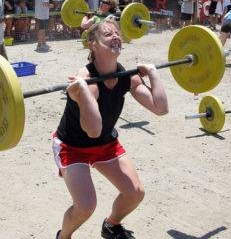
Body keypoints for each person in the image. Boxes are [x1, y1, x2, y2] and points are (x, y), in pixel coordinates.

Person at [52, 18, 168, 239]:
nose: (116, 36)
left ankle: (111, 225)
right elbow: (92, 130)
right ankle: (63, 237)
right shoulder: (87, 79)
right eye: (107, 34)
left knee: (135, 193)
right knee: (85, 206)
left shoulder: (127, 76)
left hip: (105, 143)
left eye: (117, 33)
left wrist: (153, 73)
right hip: (72, 146)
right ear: (92, 44)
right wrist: (84, 92)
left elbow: (160, 108)